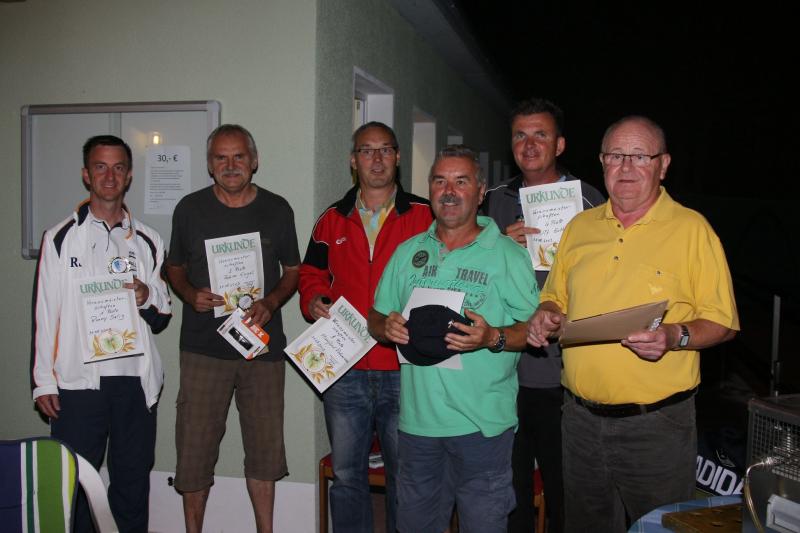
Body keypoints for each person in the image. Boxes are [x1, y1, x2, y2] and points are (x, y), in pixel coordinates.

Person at [527, 116, 739, 532]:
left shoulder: (692, 230)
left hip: (656, 427)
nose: (626, 167)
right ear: (602, 162)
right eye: (616, 156)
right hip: (579, 421)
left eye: (640, 156)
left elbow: (723, 322)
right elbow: (555, 296)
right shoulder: (579, 227)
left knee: (660, 527)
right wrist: (546, 313)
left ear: (663, 165)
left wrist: (674, 336)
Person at [368, 145, 539, 533]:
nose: (449, 191)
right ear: (429, 189)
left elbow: (534, 329)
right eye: (440, 181)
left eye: (461, 182)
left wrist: (492, 336)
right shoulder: (408, 252)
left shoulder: (507, 256)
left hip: (483, 428)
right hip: (418, 427)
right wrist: (384, 327)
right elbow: (376, 315)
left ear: (480, 192)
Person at [31, 135, 171, 533]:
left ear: (129, 176)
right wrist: (43, 381)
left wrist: (146, 295)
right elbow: (45, 312)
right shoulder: (60, 237)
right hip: (79, 383)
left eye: (118, 168)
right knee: (75, 483)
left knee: (132, 483)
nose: (110, 176)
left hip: (134, 383)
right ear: (86, 174)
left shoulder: (148, 239)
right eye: (100, 167)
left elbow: (163, 312)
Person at [299, 121, 432, 532]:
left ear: (397, 157)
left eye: (385, 149)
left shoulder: (425, 216)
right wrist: (313, 299)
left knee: (404, 476)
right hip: (345, 368)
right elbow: (311, 274)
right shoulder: (331, 220)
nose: (376, 159)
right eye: (366, 150)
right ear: (353, 161)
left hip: (404, 368)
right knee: (346, 476)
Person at [167, 124, 300, 533]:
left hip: (262, 351)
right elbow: (174, 267)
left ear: (254, 160)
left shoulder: (278, 209)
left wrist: (271, 302)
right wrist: (189, 293)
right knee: (194, 452)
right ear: (210, 165)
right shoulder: (189, 209)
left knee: (265, 452)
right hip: (203, 350)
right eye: (221, 158)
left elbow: (293, 271)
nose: (230, 165)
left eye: (239, 156)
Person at [482, 97, 604, 533]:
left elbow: (607, 277)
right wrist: (498, 245)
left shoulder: (589, 200)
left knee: (565, 488)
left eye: (541, 134)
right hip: (504, 371)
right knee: (510, 488)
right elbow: (470, 273)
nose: (529, 144)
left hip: (564, 373)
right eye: (520, 135)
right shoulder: (492, 201)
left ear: (560, 144)